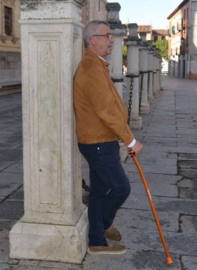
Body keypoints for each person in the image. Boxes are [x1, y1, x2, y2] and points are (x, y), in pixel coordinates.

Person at [73, 20, 143, 255]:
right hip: (98, 143)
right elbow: (107, 111)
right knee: (121, 188)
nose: (112, 40)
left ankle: (96, 241)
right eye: (108, 36)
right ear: (94, 40)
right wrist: (131, 140)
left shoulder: (97, 65)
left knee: (99, 192)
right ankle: (103, 224)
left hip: (101, 141)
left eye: (112, 36)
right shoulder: (92, 69)